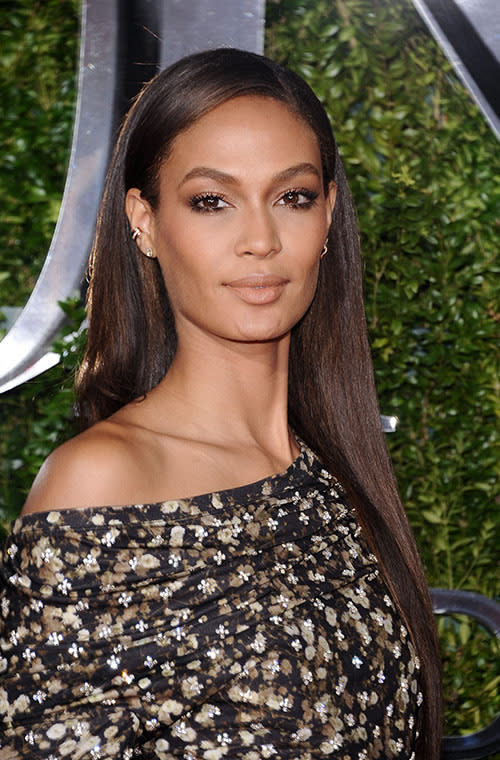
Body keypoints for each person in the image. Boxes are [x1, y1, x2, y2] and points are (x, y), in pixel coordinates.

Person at [0, 48, 441, 759]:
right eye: (212, 201)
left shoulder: (333, 469)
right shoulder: (102, 482)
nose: (261, 241)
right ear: (143, 221)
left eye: (292, 197)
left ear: (328, 216)